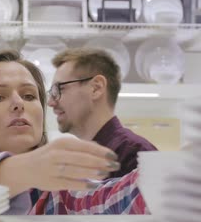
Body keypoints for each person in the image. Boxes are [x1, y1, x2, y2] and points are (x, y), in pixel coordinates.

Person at [0, 49, 148, 215]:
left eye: (29, 96)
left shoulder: (56, 190)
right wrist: (27, 169)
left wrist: (169, 173)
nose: (18, 104)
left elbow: (114, 197)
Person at [49, 48, 157, 178]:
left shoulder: (134, 155)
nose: (51, 102)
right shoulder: (81, 161)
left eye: (59, 89)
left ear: (96, 88)